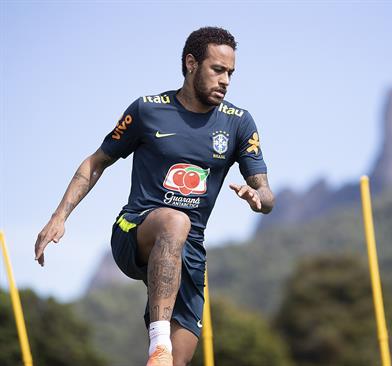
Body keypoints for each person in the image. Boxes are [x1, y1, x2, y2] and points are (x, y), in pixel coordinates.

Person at [34, 26, 274, 366]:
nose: (226, 80)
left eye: (231, 73)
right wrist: (59, 216)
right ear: (191, 64)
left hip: (189, 250)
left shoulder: (239, 122)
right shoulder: (148, 110)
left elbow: (266, 192)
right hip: (135, 230)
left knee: (178, 361)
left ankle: (164, 354)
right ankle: (158, 343)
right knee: (175, 220)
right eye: (217, 70)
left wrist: (258, 197)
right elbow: (96, 161)